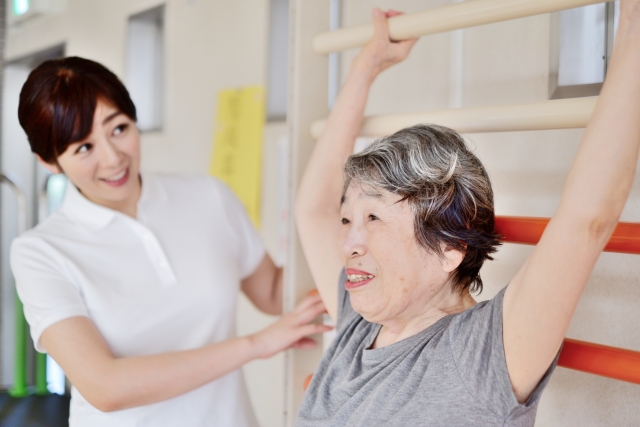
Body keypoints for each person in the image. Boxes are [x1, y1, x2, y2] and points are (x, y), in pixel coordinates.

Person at [294, 4, 640, 426]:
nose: (348, 243)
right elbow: (314, 209)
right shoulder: (361, 317)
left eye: (374, 219)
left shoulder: (481, 354)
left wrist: (632, 27)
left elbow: (587, 221)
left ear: (449, 247)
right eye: (348, 220)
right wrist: (367, 66)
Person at [10, 57, 331, 427]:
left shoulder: (208, 196)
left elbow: (274, 292)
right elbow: (105, 386)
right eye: (84, 147)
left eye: (119, 128)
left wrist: (347, 230)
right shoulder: (40, 252)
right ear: (49, 161)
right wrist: (255, 345)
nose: (113, 158)